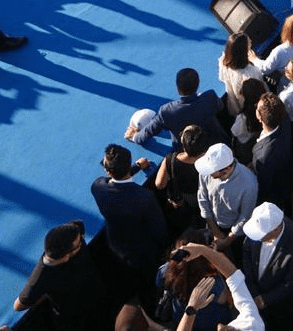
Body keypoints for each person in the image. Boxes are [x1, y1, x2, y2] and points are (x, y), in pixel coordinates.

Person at [90, 144, 169, 311]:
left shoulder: (97, 187)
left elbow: (114, 183)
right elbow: (159, 230)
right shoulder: (145, 197)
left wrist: (136, 168)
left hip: (116, 246)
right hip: (145, 252)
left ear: (108, 171)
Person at [13, 219, 107, 330]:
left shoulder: (74, 233)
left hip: (100, 296)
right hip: (77, 319)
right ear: (65, 256)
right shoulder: (40, 277)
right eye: (79, 242)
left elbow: (78, 224)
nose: (82, 238)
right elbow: (18, 305)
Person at [240, 202, 293, 331]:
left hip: (282, 305)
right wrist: (253, 291)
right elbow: (247, 253)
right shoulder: (258, 226)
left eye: (261, 235)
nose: (257, 238)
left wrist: (265, 299)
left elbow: (291, 282)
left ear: (275, 230)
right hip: (256, 296)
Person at [129, 68, 227, 149]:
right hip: (220, 146)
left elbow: (149, 131)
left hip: (187, 153)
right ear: (198, 84)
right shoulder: (210, 97)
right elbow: (220, 107)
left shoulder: (167, 111)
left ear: (177, 88)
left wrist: (135, 137)